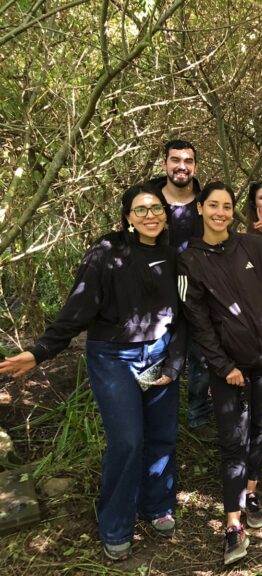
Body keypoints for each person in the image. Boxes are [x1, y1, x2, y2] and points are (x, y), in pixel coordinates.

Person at [0, 185, 184, 561]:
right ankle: (116, 524)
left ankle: (156, 504)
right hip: (114, 356)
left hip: (159, 355)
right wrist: (40, 351)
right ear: (128, 217)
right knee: (128, 440)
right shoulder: (107, 253)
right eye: (141, 210)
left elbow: (182, 315)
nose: (150, 215)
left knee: (161, 434)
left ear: (165, 213)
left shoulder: (172, 255)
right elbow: (78, 307)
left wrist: (175, 359)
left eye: (156, 208)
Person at [177, 181, 262, 566]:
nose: (221, 212)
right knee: (232, 441)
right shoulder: (190, 259)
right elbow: (198, 321)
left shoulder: (252, 246)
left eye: (227, 206)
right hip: (230, 371)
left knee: (259, 430)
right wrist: (224, 367)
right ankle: (233, 523)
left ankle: (251, 493)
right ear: (201, 209)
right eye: (213, 205)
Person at [148, 139, 212, 438]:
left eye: (188, 160)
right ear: (165, 164)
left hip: (200, 292)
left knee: (201, 357)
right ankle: (157, 416)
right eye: (175, 160)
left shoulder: (205, 202)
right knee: (157, 353)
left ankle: (198, 416)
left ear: (195, 166)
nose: (181, 166)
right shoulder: (148, 200)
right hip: (156, 294)